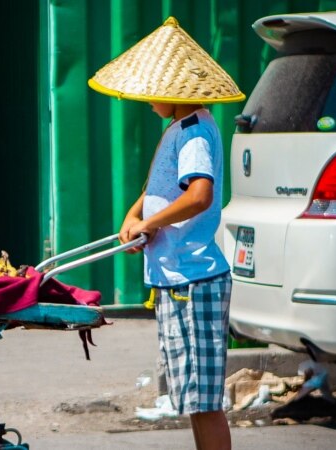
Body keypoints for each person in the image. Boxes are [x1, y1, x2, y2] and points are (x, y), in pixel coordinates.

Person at [88, 17, 246, 450]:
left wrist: (149, 224)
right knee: (193, 399)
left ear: (175, 90)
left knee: (206, 401)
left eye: (152, 89)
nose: (145, 99)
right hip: (176, 280)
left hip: (194, 281)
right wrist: (133, 217)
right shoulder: (176, 130)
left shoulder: (195, 132)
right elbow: (157, 190)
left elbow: (198, 195)